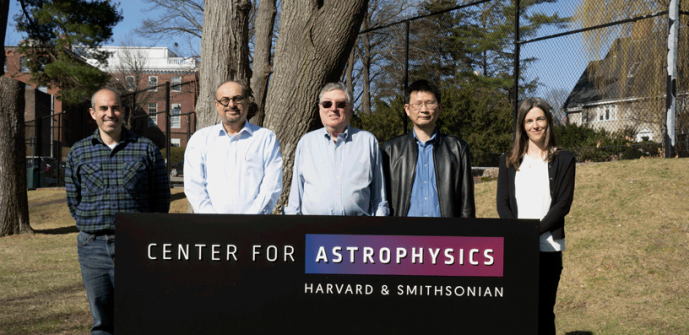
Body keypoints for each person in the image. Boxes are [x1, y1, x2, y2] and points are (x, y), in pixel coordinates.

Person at [65, 88, 171, 335]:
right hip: (93, 246)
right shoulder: (79, 152)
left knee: (142, 311)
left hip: (136, 245)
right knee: (103, 316)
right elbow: (74, 201)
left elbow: (160, 199)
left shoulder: (145, 150)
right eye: (103, 108)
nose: (109, 114)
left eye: (115, 108)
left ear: (123, 111)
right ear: (92, 113)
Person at [496, 97, 576, 335]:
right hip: (517, 250)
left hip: (547, 249)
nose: (535, 125)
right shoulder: (510, 160)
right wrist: (518, 236)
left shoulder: (563, 159)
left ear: (549, 122)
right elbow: (502, 203)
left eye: (540, 119)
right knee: (516, 317)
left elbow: (562, 205)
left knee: (542, 316)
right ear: (522, 125)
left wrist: (534, 233)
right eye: (529, 121)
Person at [284, 82, 389, 216]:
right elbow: (295, 197)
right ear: (320, 110)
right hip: (314, 230)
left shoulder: (367, 141)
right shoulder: (306, 143)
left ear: (350, 110)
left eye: (340, 104)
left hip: (358, 231)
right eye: (327, 104)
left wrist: (378, 231)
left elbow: (379, 197)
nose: (333, 109)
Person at [184, 80, 283, 214]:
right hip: (212, 227)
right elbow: (194, 186)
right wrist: (215, 221)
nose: (231, 105)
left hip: (254, 227)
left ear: (247, 101)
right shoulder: (200, 139)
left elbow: (272, 186)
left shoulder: (265, 138)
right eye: (225, 100)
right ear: (216, 104)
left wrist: (249, 220)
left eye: (237, 99)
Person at [381, 79, 476, 217]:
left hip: (445, 234)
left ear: (440, 108)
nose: (424, 110)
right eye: (417, 104)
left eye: (430, 103)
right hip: (403, 234)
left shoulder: (458, 148)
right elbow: (383, 200)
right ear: (407, 109)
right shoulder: (391, 150)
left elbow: (466, 204)